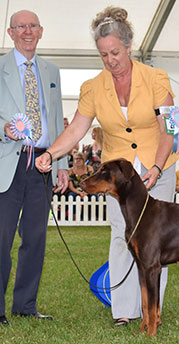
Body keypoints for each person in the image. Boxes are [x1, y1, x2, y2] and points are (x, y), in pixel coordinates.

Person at [35, 6, 179, 327]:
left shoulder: (156, 78)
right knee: (121, 236)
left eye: (115, 52)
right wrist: (51, 152)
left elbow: (170, 130)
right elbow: (76, 128)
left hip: (158, 164)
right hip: (119, 176)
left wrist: (156, 168)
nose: (110, 60)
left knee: (156, 239)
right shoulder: (93, 86)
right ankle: (124, 311)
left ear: (129, 47)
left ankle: (151, 311)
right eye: (103, 55)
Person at [0, 10, 69, 326]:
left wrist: (62, 163)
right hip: (7, 162)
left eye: (32, 26)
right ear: (10, 33)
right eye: (20, 27)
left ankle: (25, 306)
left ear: (41, 31)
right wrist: (4, 129)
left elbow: (56, 120)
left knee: (35, 239)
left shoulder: (51, 70)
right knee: (1, 239)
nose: (27, 31)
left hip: (43, 163)